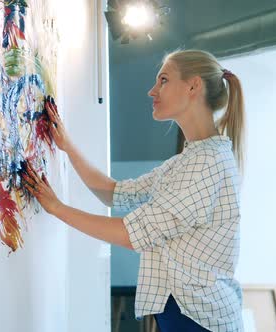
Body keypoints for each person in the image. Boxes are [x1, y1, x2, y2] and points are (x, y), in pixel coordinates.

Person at [21, 49, 245, 332]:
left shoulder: (205, 163)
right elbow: (116, 193)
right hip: (189, 317)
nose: (152, 91)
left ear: (193, 85)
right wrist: (67, 146)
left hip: (200, 321)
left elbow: (132, 235)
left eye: (163, 80)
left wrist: (57, 208)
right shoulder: (190, 159)